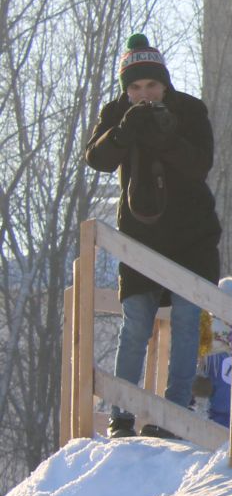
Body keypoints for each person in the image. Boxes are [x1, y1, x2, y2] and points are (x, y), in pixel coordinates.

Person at [84, 33, 222, 438]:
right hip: (140, 238)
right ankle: (122, 412)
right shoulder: (118, 112)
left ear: (165, 83)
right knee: (136, 324)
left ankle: (174, 414)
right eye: (136, 87)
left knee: (185, 323)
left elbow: (200, 164)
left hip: (191, 238)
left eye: (151, 85)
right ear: (127, 89)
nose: (144, 94)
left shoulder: (190, 111)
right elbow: (97, 159)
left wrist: (164, 135)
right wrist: (125, 132)